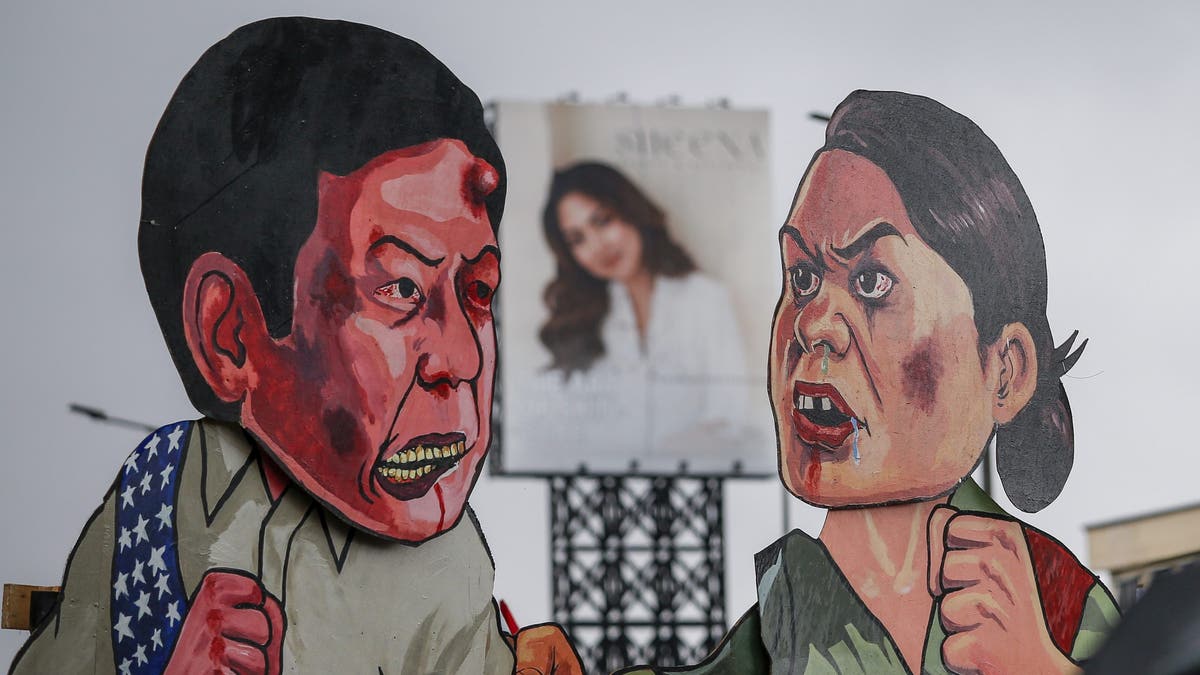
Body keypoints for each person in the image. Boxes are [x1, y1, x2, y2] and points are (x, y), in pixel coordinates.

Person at [9, 18, 580, 675]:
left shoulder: (449, 567)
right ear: (229, 332)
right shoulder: (158, 501)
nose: (464, 357)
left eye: (479, 293)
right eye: (400, 287)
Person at [620, 90, 1119, 674]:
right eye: (802, 277)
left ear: (1005, 370)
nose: (813, 324)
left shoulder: (1061, 609)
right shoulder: (774, 633)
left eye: (872, 283)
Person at [533, 161, 756, 463]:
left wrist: (663, 455)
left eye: (602, 221)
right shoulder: (583, 317)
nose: (597, 246)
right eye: (577, 239)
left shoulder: (704, 298)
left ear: (631, 211)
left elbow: (730, 416)